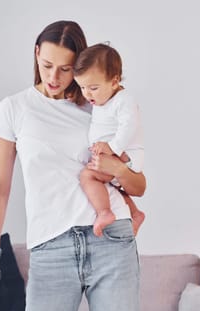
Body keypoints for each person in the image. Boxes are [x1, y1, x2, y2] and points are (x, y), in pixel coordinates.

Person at [0, 20, 145, 311]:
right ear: (36, 53)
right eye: (47, 66)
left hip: (111, 240)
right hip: (50, 245)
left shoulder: (98, 104)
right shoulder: (14, 109)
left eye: (66, 69)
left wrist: (116, 166)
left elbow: (139, 185)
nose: (54, 78)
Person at [73, 43, 145, 237]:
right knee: (110, 186)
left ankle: (104, 212)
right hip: (116, 156)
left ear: (114, 81)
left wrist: (112, 147)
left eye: (93, 88)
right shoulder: (102, 98)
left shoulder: (123, 100)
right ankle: (135, 213)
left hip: (125, 156)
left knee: (87, 176)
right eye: (82, 87)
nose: (87, 94)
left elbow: (129, 126)